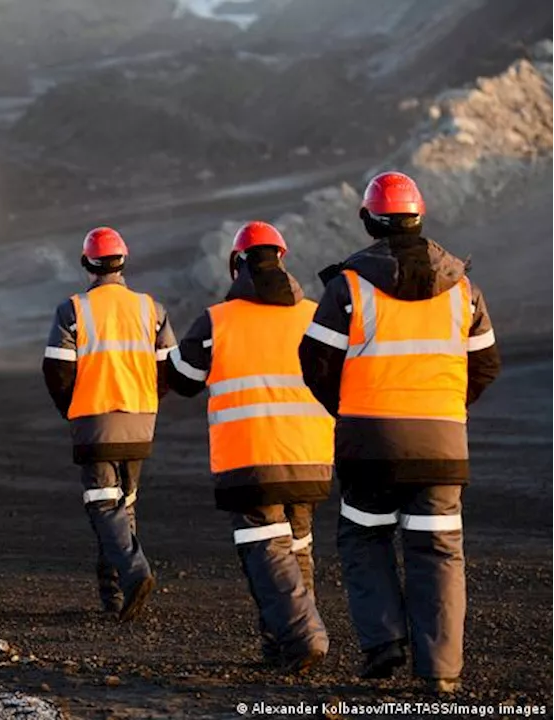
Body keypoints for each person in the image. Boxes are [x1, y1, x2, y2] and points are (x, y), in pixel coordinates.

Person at [298, 171, 502, 693]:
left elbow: (316, 363)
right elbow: (485, 365)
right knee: (437, 549)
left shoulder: (348, 287)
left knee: (365, 536)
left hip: (369, 443)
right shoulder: (463, 290)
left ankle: (384, 643)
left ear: (368, 220)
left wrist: (346, 411)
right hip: (442, 445)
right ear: (420, 215)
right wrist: (446, 409)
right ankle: (441, 672)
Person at [166, 221, 333, 674]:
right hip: (310, 455)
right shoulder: (315, 314)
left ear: (237, 264)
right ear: (281, 259)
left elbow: (181, 378)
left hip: (251, 457)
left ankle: (303, 636)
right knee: (297, 546)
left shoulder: (218, 319)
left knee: (264, 546)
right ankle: (281, 644)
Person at [42, 227, 176, 621]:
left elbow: (57, 370)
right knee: (123, 506)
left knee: (103, 504)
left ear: (87, 264)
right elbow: (169, 367)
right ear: (123, 262)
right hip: (140, 419)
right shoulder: (152, 309)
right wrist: (148, 401)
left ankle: (134, 573)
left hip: (94, 418)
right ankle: (115, 597)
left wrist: (73, 408)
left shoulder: (73, 310)